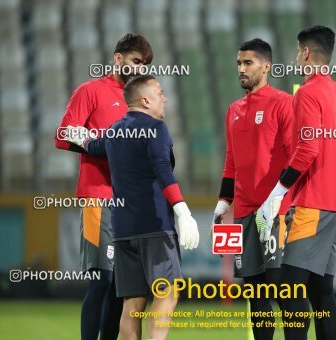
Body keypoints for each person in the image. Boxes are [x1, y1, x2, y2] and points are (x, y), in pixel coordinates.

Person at [64, 75, 199, 340]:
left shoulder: (114, 130)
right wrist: (182, 210)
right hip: (155, 226)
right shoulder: (156, 128)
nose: (165, 98)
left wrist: (75, 132)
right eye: (160, 93)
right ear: (145, 100)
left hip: (123, 230)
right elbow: (162, 169)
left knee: (132, 304)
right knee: (167, 293)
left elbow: (90, 145)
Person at [55, 34, 153, 340]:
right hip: (100, 198)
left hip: (132, 203)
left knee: (120, 287)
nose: (139, 68)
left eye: (145, 64)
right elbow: (62, 135)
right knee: (102, 280)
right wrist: (101, 146)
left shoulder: (141, 102)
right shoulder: (91, 91)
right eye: (136, 61)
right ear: (118, 58)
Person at [256, 25, 336, 340]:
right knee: (322, 290)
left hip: (311, 205)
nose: (297, 57)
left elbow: (307, 149)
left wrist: (277, 193)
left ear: (306, 52)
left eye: (298, 51)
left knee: (288, 286)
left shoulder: (308, 92)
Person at [212, 38, 293, 340]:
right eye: (238, 63)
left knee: (282, 290)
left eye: (248, 63)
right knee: (256, 297)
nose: (241, 69)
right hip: (245, 214)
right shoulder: (233, 109)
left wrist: (279, 201)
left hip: (274, 214)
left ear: (266, 66)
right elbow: (231, 161)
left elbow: (295, 154)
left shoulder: (283, 102)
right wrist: (223, 203)